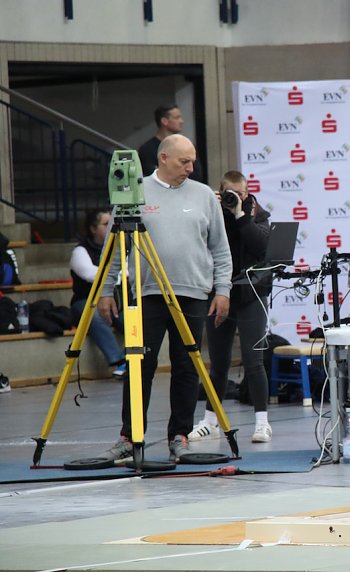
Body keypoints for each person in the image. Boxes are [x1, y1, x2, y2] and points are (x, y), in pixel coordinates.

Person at [98, 134, 232, 462]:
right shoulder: (134, 192)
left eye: (193, 161)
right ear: (163, 158)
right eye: (184, 161)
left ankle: (180, 435)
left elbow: (220, 248)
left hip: (193, 293)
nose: (191, 167)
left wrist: (223, 289)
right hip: (146, 294)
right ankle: (130, 437)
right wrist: (105, 289)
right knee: (138, 365)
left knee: (187, 367)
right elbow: (114, 247)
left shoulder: (203, 196)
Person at [188, 171, 273, 444]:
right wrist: (215, 208)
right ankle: (210, 421)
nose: (235, 198)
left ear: (247, 193)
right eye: (229, 193)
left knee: (254, 360)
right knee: (219, 363)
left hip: (251, 294)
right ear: (220, 191)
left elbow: (261, 247)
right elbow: (198, 243)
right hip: (219, 294)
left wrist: (240, 215)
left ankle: (262, 423)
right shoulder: (212, 212)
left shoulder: (257, 214)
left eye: (240, 193)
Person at [69, 208, 126, 378]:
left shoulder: (120, 247)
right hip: (86, 301)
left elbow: (130, 270)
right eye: (106, 224)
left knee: (137, 318)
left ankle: (132, 360)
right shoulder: (80, 251)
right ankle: (118, 361)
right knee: (94, 316)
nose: (111, 228)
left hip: (116, 302)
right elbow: (91, 274)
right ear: (93, 228)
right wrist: (118, 275)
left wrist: (118, 274)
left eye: (113, 224)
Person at [137, 104, 203, 182]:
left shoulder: (188, 146)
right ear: (164, 121)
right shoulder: (146, 149)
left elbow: (197, 176)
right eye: (177, 118)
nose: (181, 121)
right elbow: (155, 177)